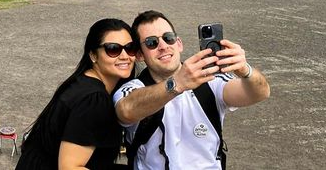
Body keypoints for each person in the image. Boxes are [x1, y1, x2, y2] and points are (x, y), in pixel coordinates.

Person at [114, 11, 270, 169]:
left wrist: (245, 70)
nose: (163, 46)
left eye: (168, 38)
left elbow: (260, 93)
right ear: (140, 55)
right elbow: (126, 110)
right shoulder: (133, 88)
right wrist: (176, 84)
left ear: (179, 43)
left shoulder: (211, 81)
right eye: (151, 43)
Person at [17, 18, 138, 169]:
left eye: (130, 47)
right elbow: (70, 167)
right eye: (113, 49)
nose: (125, 56)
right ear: (93, 55)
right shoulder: (94, 100)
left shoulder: (82, 82)